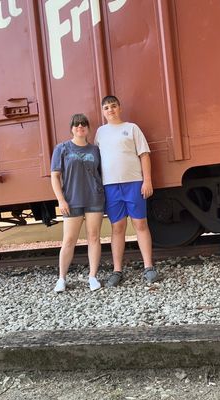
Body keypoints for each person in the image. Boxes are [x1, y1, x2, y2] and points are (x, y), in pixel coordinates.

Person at [95, 95, 158, 287]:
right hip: (111, 186)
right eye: (106, 107)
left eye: (113, 106)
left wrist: (147, 180)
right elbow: (96, 160)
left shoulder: (131, 128)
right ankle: (117, 270)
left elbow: (144, 155)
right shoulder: (100, 132)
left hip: (133, 183)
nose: (110, 110)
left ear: (119, 108)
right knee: (117, 227)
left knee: (140, 224)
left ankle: (148, 267)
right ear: (103, 112)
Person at [50, 113, 105, 292]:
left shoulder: (95, 150)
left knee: (94, 237)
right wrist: (61, 200)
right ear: (71, 129)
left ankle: (93, 277)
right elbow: (55, 176)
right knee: (69, 240)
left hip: (94, 198)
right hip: (72, 200)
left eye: (83, 124)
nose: (80, 127)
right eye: (76, 124)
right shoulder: (62, 148)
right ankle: (61, 278)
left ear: (88, 128)